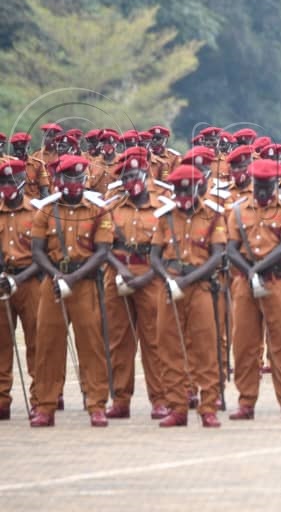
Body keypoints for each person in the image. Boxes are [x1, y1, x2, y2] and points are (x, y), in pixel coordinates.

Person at [30, 154, 114, 426]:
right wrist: (56, 276)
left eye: (79, 178)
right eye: (70, 178)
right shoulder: (46, 210)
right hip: (53, 284)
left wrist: (74, 277)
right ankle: (45, 405)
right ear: (59, 180)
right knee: (48, 346)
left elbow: (102, 252)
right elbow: (37, 251)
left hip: (85, 283)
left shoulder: (97, 209)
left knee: (91, 346)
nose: (75, 184)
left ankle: (96, 404)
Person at [150, 164, 228, 427]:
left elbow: (217, 255)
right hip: (171, 288)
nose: (182, 194)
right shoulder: (166, 217)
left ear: (198, 188)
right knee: (169, 349)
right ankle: (177, 407)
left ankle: (208, 407)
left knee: (205, 348)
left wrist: (187, 280)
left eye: (187, 189)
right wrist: (169, 279)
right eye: (178, 189)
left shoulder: (213, 216)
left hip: (200, 288)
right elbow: (154, 256)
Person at [224, 158, 281, 421]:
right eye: (259, 185)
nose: (263, 191)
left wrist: (258, 269)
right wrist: (249, 272)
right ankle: (246, 402)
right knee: (244, 344)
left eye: (268, 186)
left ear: (276, 184)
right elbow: (230, 248)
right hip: (245, 284)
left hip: (276, 281)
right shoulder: (237, 211)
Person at [103, 149, 168, 420]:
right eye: (126, 176)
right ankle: (120, 400)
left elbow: (166, 250)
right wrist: (121, 271)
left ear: (146, 173)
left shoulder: (163, 205)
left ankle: (160, 400)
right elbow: (104, 247)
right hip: (118, 275)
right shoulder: (112, 206)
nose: (132, 180)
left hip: (150, 276)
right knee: (119, 341)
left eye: (136, 174)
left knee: (154, 341)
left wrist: (146, 275)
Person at [0, 159, 43, 419]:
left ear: (23, 181)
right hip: (2, 284)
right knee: (1, 345)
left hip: (29, 282)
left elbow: (42, 255)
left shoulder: (37, 212)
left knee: (37, 343)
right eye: (3, 182)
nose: (7, 186)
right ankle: (2, 400)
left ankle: (40, 399)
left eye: (12, 181)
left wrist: (19, 277)